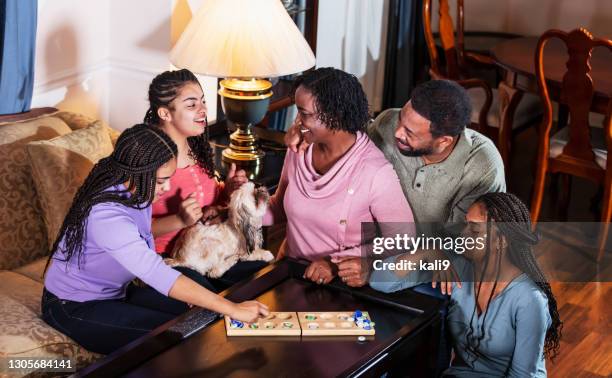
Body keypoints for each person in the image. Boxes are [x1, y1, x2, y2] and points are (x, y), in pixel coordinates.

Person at [42, 124, 268, 354]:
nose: (167, 187)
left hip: (117, 292)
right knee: (179, 338)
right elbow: (154, 271)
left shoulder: (136, 190)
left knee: (201, 317)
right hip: (74, 306)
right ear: (135, 172)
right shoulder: (106, 215)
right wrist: (233, 308)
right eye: (161, 181)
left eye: (168, 178)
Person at [370, 192, 562, 377]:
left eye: (474, 229)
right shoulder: (458, 267)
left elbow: (522, 375)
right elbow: (380, 281)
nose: (463, 234)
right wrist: (426, 252)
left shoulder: (529, 300)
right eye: (465, 225)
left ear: (501, 241)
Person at [264, 67, 414, 287]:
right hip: (292, 274)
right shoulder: (299, 149)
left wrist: (335, 263)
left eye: (304, 114)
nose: (297, 122)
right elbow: (278, 209)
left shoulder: (375, 172)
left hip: (342, 286)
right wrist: (235, 210)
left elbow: (403, 241)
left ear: (334, 116)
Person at [287, 79, 506, 224]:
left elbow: (465, 241)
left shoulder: (482, 167)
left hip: (441, 263)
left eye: (410, 133)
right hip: (378, 248)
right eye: (402, 118)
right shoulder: (388, 122)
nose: (397, 132)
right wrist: (304, 130)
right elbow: (345, 137)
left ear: (443, 141)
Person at [144, 69, 267, 290]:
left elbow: (208, 200)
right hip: (168, 258)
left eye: (203, 102)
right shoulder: (147, 158)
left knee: (262, 275)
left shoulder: (196, 147)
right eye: (191, 105)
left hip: (213, 247)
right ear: (165, 113)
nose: (203, 111)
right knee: (214, 299)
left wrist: (227, 192)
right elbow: (127, 229)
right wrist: (179, 220)